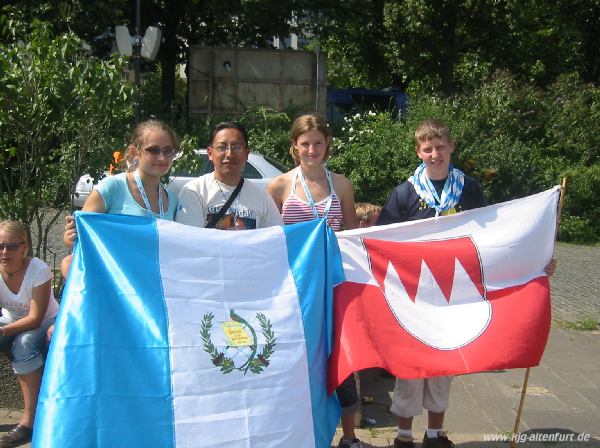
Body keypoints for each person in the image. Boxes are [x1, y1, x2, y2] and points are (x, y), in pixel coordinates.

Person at [376, 119, 485, 448]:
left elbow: (493, 234)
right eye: (428, 148)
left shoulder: (469, 188)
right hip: (413, 296)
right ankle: (404, 435)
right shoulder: (405, 192)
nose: (434, 154)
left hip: (452, 293)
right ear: (418, 152)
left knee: (443, 362)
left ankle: (435, 434)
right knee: (409, 366)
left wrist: (533, 261)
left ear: (452, 147)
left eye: (440, 147)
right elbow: (381, 239)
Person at [267, 113, 361, 448]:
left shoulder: (342, 184)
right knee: (295, 357)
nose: (311, 150)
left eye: (317, 143)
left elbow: (353, 236)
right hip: (295, 290)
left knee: (343, 357)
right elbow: (269, 239)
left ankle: (349, 436)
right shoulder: (279, 186)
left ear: (327, 145)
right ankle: (292, 430)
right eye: (305, 143)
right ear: (294, 145)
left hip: (334, 285)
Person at [63, 119, 180, 256]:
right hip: (117, 277)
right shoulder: (112, 188)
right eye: (153, 150)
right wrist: (71, 236)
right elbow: (73, 237)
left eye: (168, 151)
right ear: (135, 151)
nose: (162, 158)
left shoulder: (172, 199)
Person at [0, 221, 59, 448]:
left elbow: (35, 318)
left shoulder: (39, 270)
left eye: (11, 246)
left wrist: (4, 331)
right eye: (0, 246)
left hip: (46, 320)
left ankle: (28, 422)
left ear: (24, 248)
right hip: (11, 320)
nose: (5, 252)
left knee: (24, 344)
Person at [176, 122, 282, 229]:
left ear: (247, 153)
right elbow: (190, 240)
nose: (230, 154)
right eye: (222, 147)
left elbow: (275, 238)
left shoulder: (262, 198)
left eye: (237, 148)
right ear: (210, 153)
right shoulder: (194, 191)